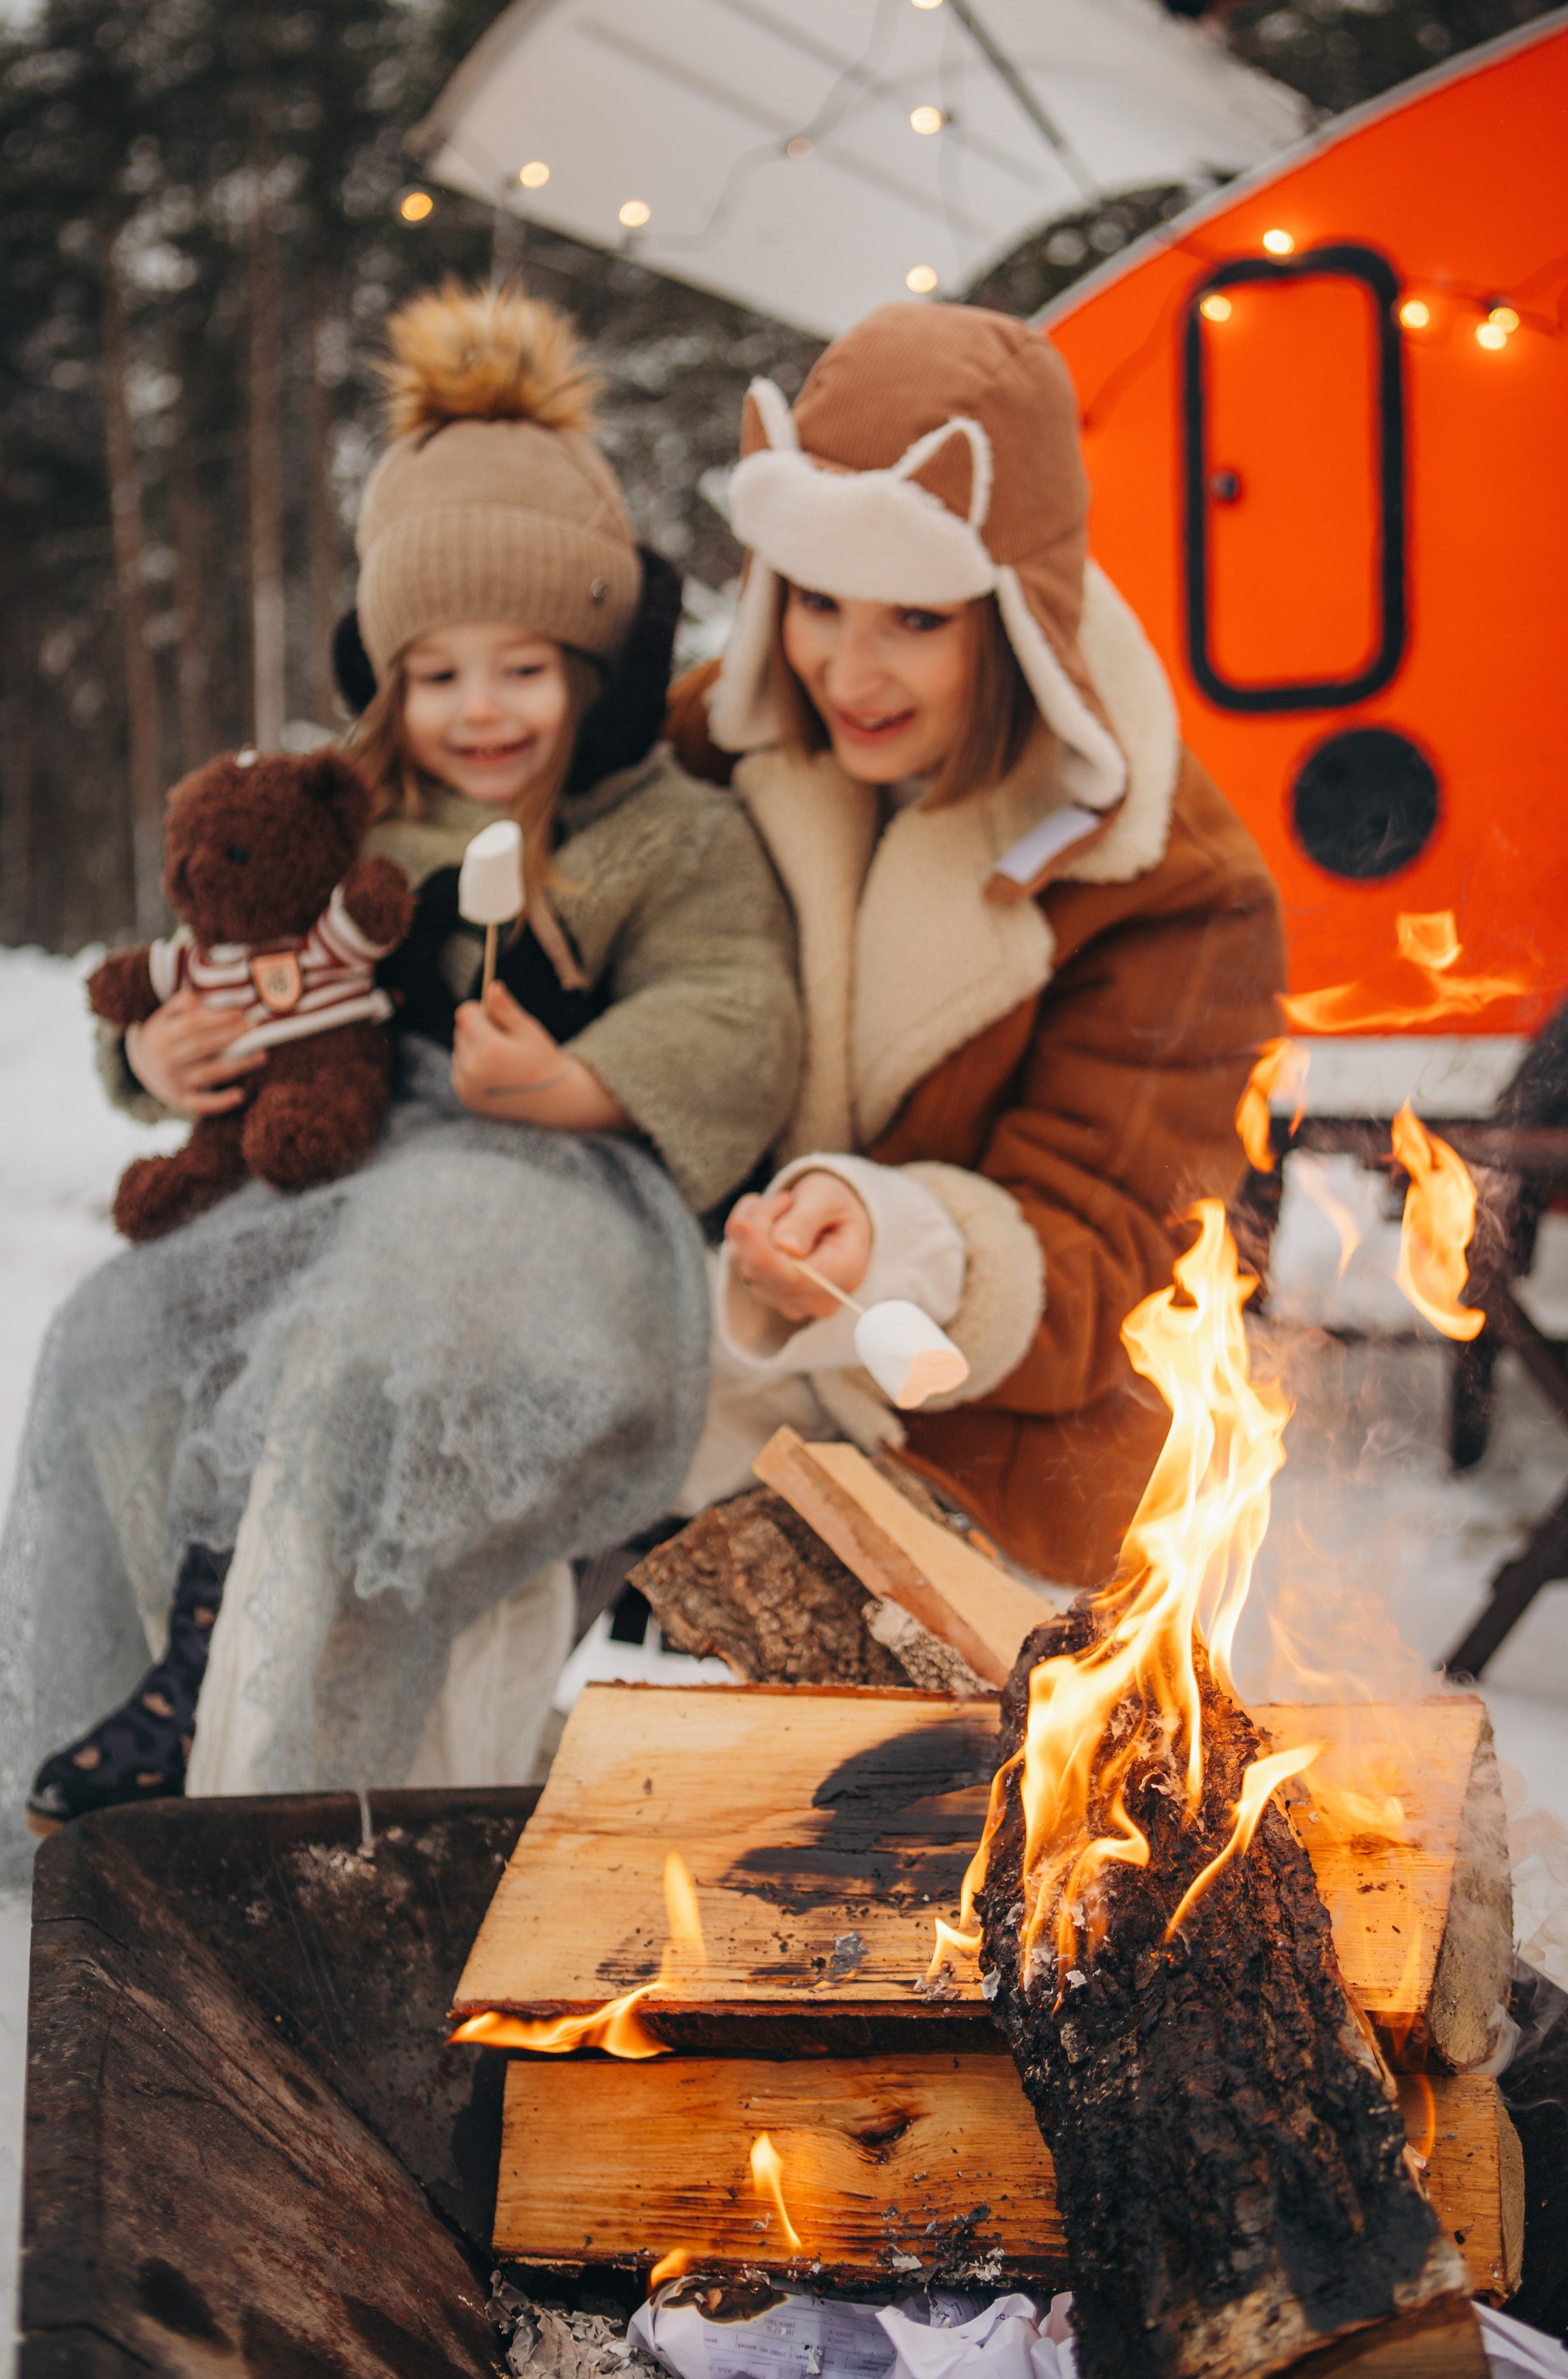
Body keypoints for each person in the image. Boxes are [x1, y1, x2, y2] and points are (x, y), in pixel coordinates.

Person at [3, 283, 800, 1862]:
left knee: (390, 1303)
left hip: (560, 1196)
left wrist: (579, 1081)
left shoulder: (661, 835)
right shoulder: (334, 821)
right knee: (122, 1322)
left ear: (593, 662)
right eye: (439, 675)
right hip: (334, 1176)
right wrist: (156, 1050)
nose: (481, 710)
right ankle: (154, 1673)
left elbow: (737, 1009)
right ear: (386, 680)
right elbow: (203, 947)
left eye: (525, 667)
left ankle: (285, 1737)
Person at [669, 302, 1284, 1584]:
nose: (849, 671)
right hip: (702, 1411)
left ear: (1013, 614)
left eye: (916, 620)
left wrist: (891, 1240)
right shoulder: (710, 750)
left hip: (993, 1479)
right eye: (817, 602)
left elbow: (1112, 1256)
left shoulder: (1172, 881)